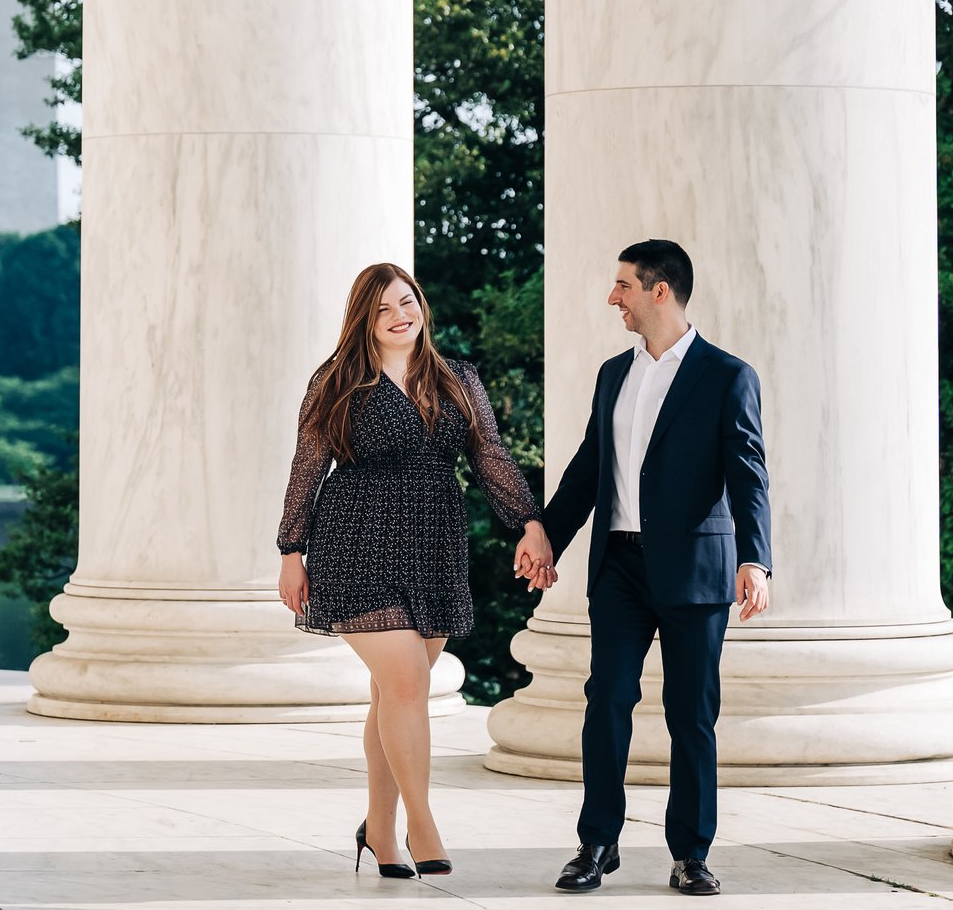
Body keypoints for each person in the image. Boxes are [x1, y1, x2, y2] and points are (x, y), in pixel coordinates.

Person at [278, 262, 552, 881]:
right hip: (355, 541)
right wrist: (291, 550)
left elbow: (489, 455)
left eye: (407, 302)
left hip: (433, 545)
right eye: (383, 310)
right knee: (405, 684)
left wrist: (529, 522)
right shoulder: (338, 380)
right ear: (364, 323)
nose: (400, 316)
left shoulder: (457, 377)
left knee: (391, 695)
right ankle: (421, 821)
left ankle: (378, 829)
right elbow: (306, 465)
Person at [515, 240, 773, 897]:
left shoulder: (727, 375)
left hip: (694, 569)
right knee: (606, 699)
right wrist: (546, 531)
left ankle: (691, 852)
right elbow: (586, 471)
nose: (613, 297)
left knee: (691, 713)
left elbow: (749, 475)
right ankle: (597, 843)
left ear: (661, 291)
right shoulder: (613, 374)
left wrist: (755, 557)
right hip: (620, 566)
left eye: (623, 285)